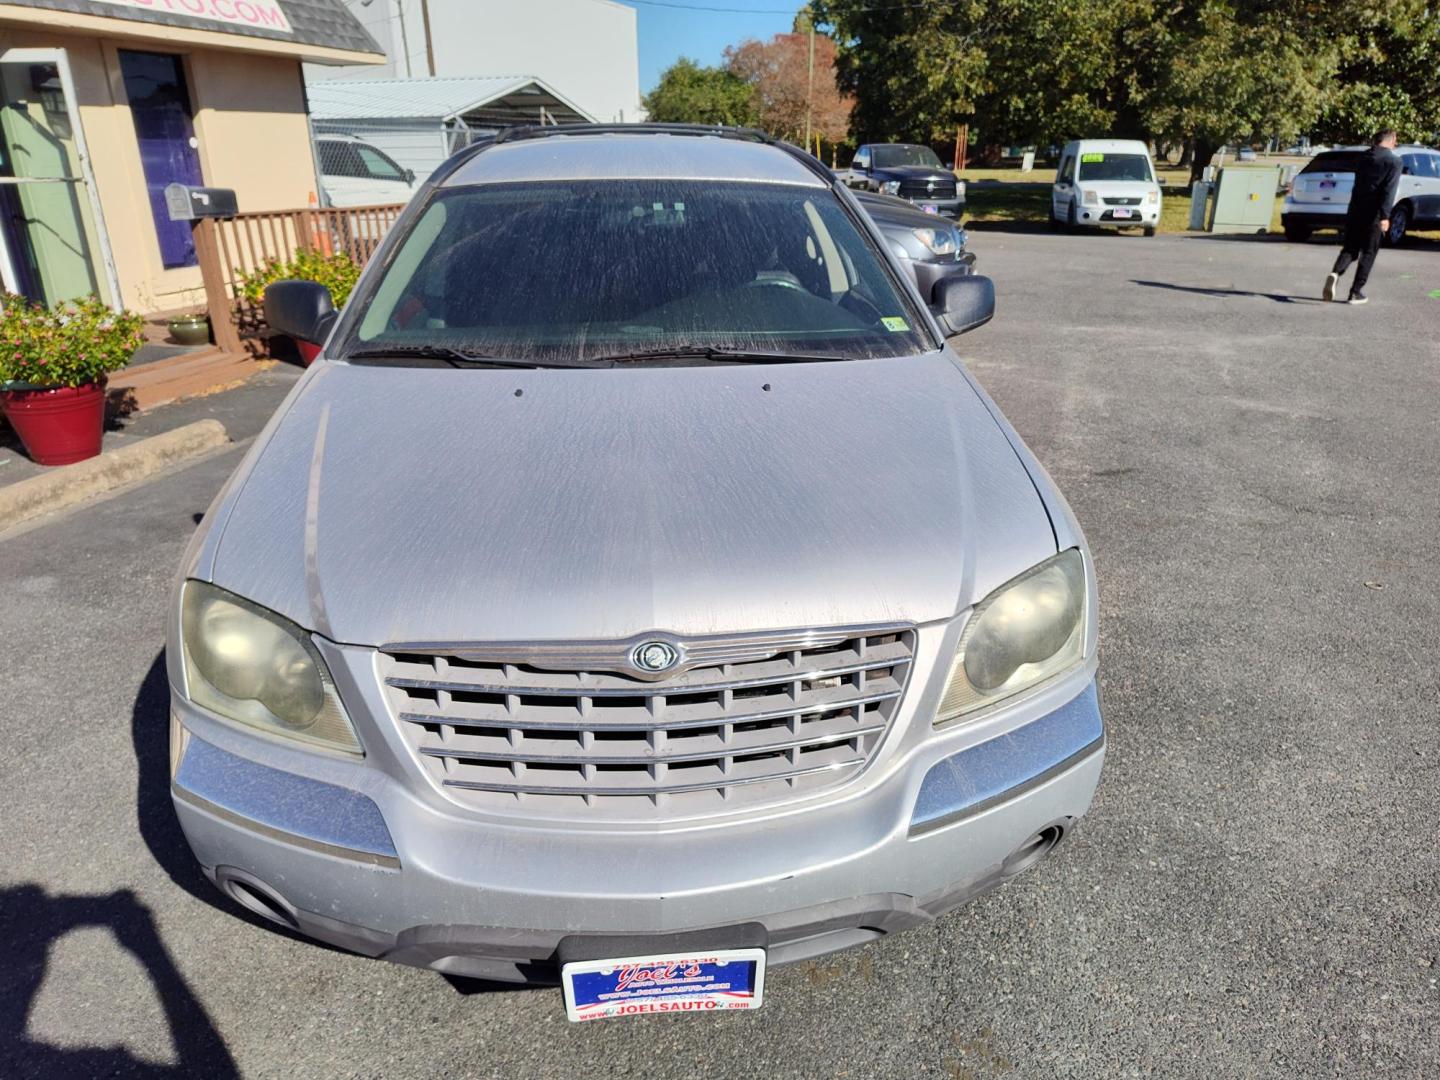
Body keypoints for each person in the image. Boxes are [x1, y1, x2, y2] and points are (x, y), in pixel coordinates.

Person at [1323, 130, 1402, 305]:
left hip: (1355, 209)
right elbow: (1388, 190)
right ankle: (1355, 292)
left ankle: (1335, 272)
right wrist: (1385, 216)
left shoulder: (1363, 157)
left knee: (1350, 248)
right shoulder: (1394, 161)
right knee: (1368, 252)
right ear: (1392, 140)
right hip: (1374, 214)